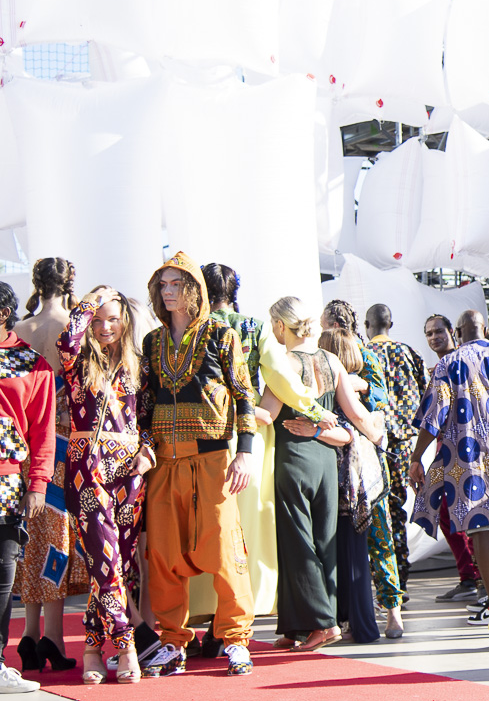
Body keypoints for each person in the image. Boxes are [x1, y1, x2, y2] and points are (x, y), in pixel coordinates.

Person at [188, 264, 337, 655]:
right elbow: (284, 383)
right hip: (250, 440)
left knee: (207, 527)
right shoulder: (253, 328)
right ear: (235, 290)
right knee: (247, 533)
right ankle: (236, 623)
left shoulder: (190, 328)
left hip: (198, 437)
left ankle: (210, 622)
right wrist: (318, 412)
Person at [137, 252, 260, 678]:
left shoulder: (221, 335)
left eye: (175, 284)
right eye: (163, 285)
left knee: (225, 551)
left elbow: (245, 394)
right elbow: (146, 399)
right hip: (164, 460)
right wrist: (142, 446)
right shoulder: (152, 342)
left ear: (193, 289)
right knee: (164, 555)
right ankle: (172, 641)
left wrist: (245, 450)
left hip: (212, 459)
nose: (168, 292)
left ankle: (236, 640)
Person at [257, 297, 382, 652]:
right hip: (328, 462)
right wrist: (378, 435)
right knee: (323, 543)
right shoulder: (332, 362)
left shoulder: (284, 365)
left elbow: (267, 414)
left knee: (296, 543)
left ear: (281, 326)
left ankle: (322, 624)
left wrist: (233, 407)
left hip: (293, 461)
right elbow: (357, 416)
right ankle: (297, 626)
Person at [57, 286, 150, 684]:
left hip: (130, 472)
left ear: (126, 321)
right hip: (86, 470)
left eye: (113, 318)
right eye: (97, 320)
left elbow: (147, 418)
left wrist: (147, 453)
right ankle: (126, 643)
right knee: (106, 557)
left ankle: (92, 648)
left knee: (117, 562)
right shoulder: (76, 361)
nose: (105, 326)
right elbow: (68, 335)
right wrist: (94, 298)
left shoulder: (139, 366)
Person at [409, 310, 489, 626]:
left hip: (464, 457)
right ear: (485, 327)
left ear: (457, 330)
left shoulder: (449, 363)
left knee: (480, 528)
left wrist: (416, 456)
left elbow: (433, 417)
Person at [12, 258, 85, 675]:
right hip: (60, 441)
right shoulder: (72, 328)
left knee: (28, 538)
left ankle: (29, 631)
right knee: (55, 536)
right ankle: (52, 637)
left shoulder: (19, 331)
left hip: (22, 442)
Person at [322, 300, 403, 637]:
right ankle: (375, 614)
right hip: (345, 451)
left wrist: (353, 384)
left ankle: (392, 610)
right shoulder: (328, 355)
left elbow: (381, 401)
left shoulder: (363, 356)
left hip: (362, 452)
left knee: (377, 532)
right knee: (368, 536)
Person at [0, 281, 56, 693]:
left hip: (7, 479)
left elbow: (43, 432)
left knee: (4, 573)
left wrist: (38, 484)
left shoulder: (31, 363)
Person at [319, 327, 387, 645]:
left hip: (341, 478)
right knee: (355, 553)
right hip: (359, 480)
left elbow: (362, 429)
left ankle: (355, 624)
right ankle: (360, 625)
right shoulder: (358, 386)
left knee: (346, 555)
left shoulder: (331, 387)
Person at [364, 302, 427, 621]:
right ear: (391, 323)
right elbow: (426, 392)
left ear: (367, 324)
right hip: (404, 442)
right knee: (397, 510)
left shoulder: (362, 353)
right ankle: (400, 581)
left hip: (373, 440)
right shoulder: (409, 352)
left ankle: (384, 587)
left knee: (377, 513)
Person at [421, 313, 481, 603]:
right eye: (429, 334)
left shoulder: (456, 363)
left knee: (458, 514)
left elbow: (434, 414)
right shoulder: (439, 368)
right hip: (445, 452)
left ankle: (475, 577)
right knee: (447, 514)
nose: (434, 337)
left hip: (466, 451)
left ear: (453, 332)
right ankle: (471, 576)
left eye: (438, 331)